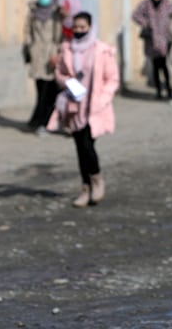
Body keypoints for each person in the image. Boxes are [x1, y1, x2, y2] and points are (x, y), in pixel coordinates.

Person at [47, 12, 119, 208]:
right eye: (76, 27)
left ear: (90, 27)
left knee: (87, 144)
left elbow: (112, 79)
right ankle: (85, 188)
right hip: (74, 105)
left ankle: (97, 179)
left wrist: (102, 99)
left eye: (82, 27)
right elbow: (60, 73)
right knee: (79, 147)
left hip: (94, 107)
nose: (79, 31)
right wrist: (68, 83)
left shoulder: (102, 50)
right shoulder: (67, 49)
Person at [22, 0, 64, 136]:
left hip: (51, 57)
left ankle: (43, 122)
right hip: (37, 56)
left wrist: (57, 54)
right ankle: (37, 121)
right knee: (41, 91)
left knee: (50, 92)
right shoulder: (33, 12)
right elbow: (27, 31)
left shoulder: (56, 13)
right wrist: (29, 47)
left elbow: (60, 36)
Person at [132, 0, 172, 100]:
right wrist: (145, 23)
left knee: (164, 65)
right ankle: (159, 90)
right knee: (155, 66)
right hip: (152, 40)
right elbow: (135, 15)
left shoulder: (166, 3)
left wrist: (169, 27)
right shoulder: (146, 4)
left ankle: (169, 89)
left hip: (164, 39)